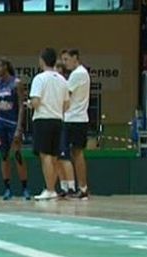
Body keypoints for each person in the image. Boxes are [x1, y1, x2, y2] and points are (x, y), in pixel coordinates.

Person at [0, 57, 30, 201]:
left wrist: (19, 128)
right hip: (0, 124)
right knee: (4, 156)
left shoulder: (16, 83)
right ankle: (7, 189)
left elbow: (22, 107)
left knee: (18, 155)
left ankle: (25, 188)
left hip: (13, 123)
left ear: (5, 67)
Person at [27, 48, 69, 201]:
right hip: (58, 120)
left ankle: (50, 189)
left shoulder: (39, 78)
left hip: (43, 120)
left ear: (42, 60)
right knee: (55, 157)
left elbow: (36, 101)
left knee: (45, 156)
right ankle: (52, 189)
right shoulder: (62, 80)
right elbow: (66, 105)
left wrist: (30, 104)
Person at [62, 48, 91, 199]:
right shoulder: (81, 73)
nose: (65, 63)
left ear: (75, 58)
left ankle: (81, 188)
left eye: (66, 59)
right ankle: (77, 187)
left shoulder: (78, 74)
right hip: (76, 118)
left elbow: (66, 96)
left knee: (76, 153)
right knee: (74, 153)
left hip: (75, 119)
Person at [54, 58, 77, 197]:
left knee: (64, 156)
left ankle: (72, 187)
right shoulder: (53, 86)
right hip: (54, 123)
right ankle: (63, 187)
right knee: (56, 158)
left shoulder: (65, 86)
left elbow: (66, 105)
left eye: (58, 70)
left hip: (63, 122)